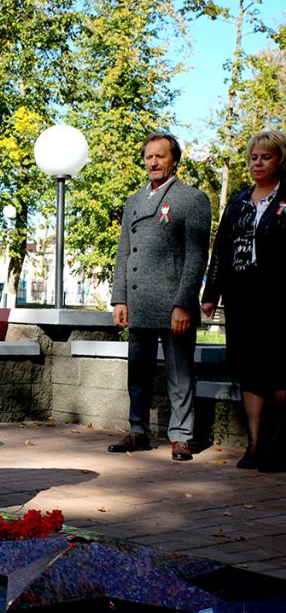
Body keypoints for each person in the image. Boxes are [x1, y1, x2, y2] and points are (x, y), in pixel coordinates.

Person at [109, 132, 211, 461]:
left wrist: (183, 303)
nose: (153, 162)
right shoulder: (134, 201)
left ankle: (181, 436)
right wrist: (119, 298)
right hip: (138, 302)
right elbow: (124, 253)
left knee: (179, 374)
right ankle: (137, 431)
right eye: (149, 156)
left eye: (160, 156)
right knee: (137, 372)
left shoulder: (192, 199)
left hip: (173, 305)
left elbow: (196, 258)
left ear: (174, 161)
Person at [202, 130, 286, 472]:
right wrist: (211, 295)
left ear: (279, 159)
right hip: (242, 299)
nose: (257, 163)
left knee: (280, 372)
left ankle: (278, 445)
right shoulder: (237, 202)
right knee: (250, 373)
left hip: (280, 299)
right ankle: (253, 445)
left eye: (265, 157)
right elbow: (220, 250)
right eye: (253, 157)